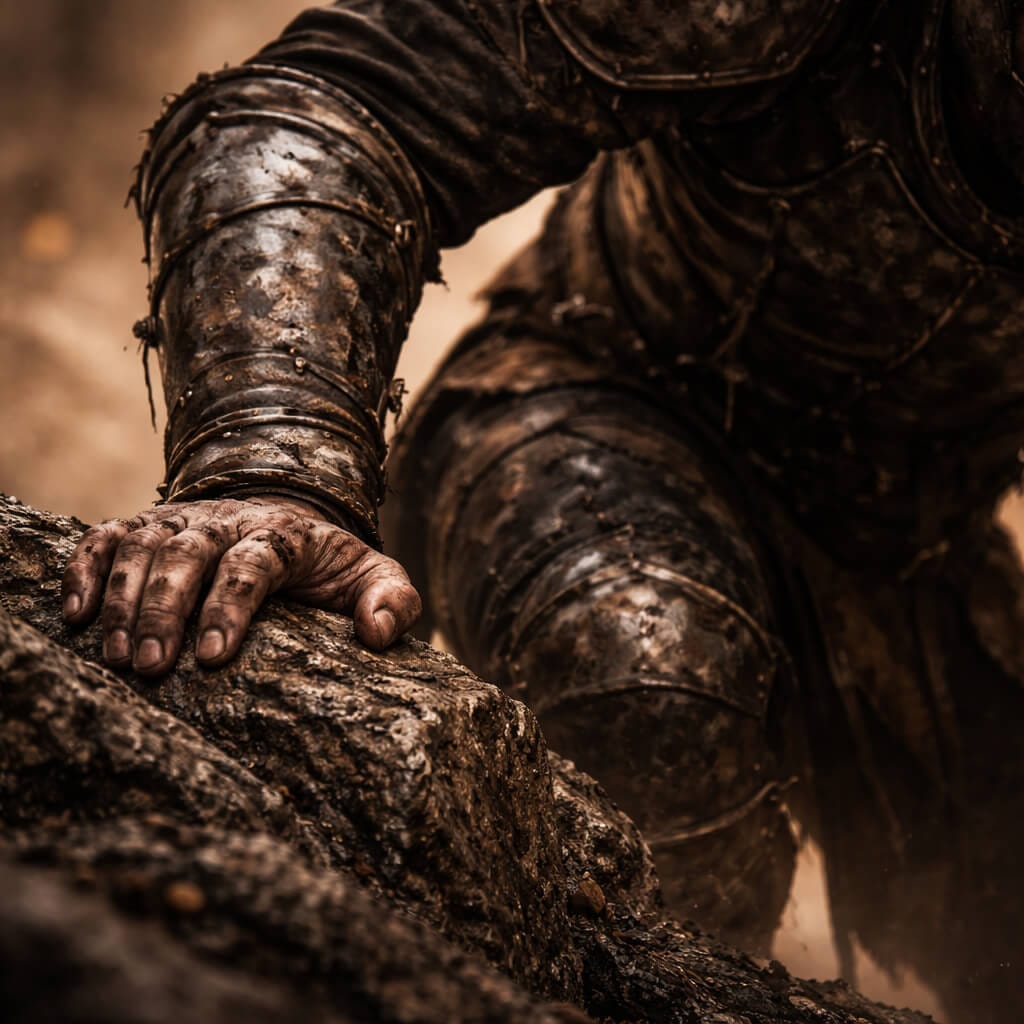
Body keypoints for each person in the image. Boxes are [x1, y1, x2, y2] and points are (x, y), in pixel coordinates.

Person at [61, 3, 1024, 1019]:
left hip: (921, 560)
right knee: (645, 671)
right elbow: (322, 109)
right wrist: (272, 463)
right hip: (596, 412)